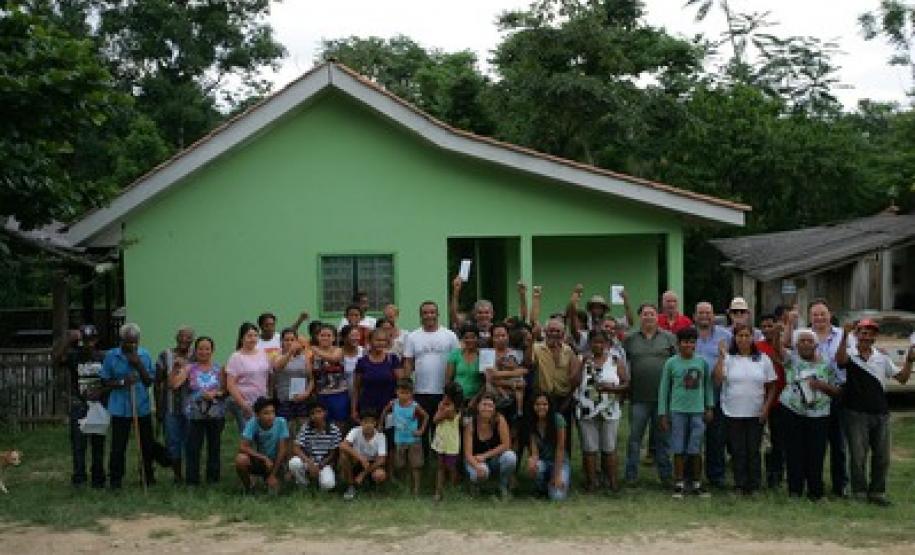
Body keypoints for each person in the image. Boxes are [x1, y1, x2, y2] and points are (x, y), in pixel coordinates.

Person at [836, 319, 914, 506]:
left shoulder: (882, 358)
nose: (866, 336)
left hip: (880, 413)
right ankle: (859, 493)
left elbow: (902, 379)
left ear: (875, 337)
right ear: (857, 334)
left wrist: (909, 361)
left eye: (870, 333)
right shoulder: (851, 355)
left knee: (882, 456)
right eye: (863, 332)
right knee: (858, 456)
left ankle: (878, 492)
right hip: (855, 413)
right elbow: (839, 361)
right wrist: (844, 336)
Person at [101, 323, 172, 488]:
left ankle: (147, 476)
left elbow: (149, 381)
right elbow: (105, 380)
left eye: (135, 342)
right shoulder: (112, 356)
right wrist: (122, 382)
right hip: (119, 407)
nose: (132, 345)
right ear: (122, 340)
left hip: (141, 406)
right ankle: (115, 480)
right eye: (128, 342)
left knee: (146, 444)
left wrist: (139, 365)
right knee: (118, 446)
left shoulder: (144, 354)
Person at [713, 325, 778, 495]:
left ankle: (754, 485)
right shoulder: (729, 359)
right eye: (739, 335)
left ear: (752, 338)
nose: (743, 339)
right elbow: (718, 380)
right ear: (734, 338)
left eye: (746, 335)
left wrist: (766, 407)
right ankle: (739, 484)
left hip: (755, 412)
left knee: (753, 450)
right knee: (737, 450)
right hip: (732, 411)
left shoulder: (763, 359)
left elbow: (772, 385)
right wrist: (721, 357)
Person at [779, 329, 840, 500]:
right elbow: (778, 349)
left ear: (816, 344)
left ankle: (816, 491)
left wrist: (823, 386)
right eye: (802, 341)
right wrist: (782, 329)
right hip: (792, 411)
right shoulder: (792, 360)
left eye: (809, 341)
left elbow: (837, 390)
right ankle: (795, 491)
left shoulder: (827, 364)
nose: (806, 344)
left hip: (819, 415)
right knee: (794, 452)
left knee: (816, 453)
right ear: (796, 345)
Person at [623, 304, 676, 484]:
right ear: (640, 317)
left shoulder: (669, 338)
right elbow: (622, 363)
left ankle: (666, 476)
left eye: (652, 314)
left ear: (657, 317)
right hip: (638, 398)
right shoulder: (630, 339)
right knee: (634, 439)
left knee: (663, 440)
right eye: (645, 314)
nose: (648, 317)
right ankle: (631, 475)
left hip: (663, 399)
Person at [658, 327, 714, 498]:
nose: (688, 345)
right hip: (678, 411)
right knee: (678, 448)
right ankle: (679, 483)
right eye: (685, 342)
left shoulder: (701, 362)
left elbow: (707, 387)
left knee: (695, 449)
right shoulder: (671, 363)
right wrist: (663, 413)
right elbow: (664, 389)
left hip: (697, 411)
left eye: (692, 342)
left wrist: (709, 406)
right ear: (678, 344)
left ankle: (696, 483)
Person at [574, 330, 628, 492]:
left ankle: (612, 481)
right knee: (589, 448)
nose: (598, 345)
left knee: (609, 447)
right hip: (587, 408)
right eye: (594, 342)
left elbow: (626, 383)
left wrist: (613, 388)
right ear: (589, 343)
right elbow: (573, 382)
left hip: (609, 409)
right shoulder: (581, 359)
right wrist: (582, 363)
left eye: (601, 342)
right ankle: (592, 482)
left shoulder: (615, 360)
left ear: (607, 344)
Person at [806, 299, 848, 497]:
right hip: (813, 395)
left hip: (838, 394)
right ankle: (816, 485)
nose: (819, 318)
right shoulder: (805, 336)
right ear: (810, 317)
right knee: (815, 444)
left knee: (838, 443)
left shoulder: (843, 335)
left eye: (823, 313)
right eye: (815, 314)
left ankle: (840, 486)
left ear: (830, 315)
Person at [404, 301, 459, 450]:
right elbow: (408, 362)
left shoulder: (450, 336)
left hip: (444, 392)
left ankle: (439, 462)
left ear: (438, 314)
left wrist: (452, 388)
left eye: (432, 312)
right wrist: (407, 386)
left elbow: (456, 361)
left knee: (441, 429)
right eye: (425, 313)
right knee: (422, 428)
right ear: (420, 315)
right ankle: (424, 463)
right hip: (420, 391)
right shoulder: (412, 336)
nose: (429, 315)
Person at [173, 336, 225, 485]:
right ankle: (192, 480)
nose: (204, 351)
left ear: (212, 350)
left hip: (215, 413)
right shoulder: (190, 368)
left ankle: (213, 479)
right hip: (194, 414)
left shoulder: (218, 368)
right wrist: (176, 369)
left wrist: (215, 394)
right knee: (193, 448)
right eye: (200, 348)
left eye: (207, 348)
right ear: (195, 350)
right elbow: (175, 385)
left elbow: (224, 390)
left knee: (214, 447)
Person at [60, 324, 106, 488]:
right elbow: (57, 360)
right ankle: (79, 478)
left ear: (96, 340)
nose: (89, 344)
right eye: (85, 340)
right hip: (79, 404)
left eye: (92, 340)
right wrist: (67, 341)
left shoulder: (103, 357)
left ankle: (98, 478)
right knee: (79, 443)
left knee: (98, 443)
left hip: (99, 405)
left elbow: (108, 380)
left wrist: (101, 391)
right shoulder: (74, 356)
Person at [693, 301, 732, 488]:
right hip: (692, 396)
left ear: (713, 315)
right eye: (701, 313)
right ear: (695, 316)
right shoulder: (689, 336)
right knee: (693, 437)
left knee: (716, 438)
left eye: (708, 313)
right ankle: (691, 476)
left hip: (717, 394)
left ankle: (716, 477)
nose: (704, 316)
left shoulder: (726, 336)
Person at [155, 325, 195, 483]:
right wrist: (158, 407)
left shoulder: (196, 355)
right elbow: (157, 383)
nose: (185, 340)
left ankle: (191, 474)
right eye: (182, 336)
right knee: (172, 441)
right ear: (176, 338)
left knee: (190, 441)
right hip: (170, 406)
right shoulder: (165, 355)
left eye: (188, 337)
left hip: (192, 407)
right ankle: (177, 475)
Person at [756, 313, 788, 489]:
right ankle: (766, 474)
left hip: (781, 400)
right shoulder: (757, 346)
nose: (768, 329)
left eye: (771, 326)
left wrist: (780, 334)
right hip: (761, 398)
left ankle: (777, 475)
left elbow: (783, 359)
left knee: (779, 440)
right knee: (764, 441)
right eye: (765, 326)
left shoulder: (785, 345)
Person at [463, 393, 517, 499]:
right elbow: (467, 454)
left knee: (510, 457)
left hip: (493, 459)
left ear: (494, 408)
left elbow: (506, 445)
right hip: (474, 460)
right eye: (484, 405)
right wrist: (477, 466)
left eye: (490, 405)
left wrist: (485, 456)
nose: (487, 408)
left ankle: (502, 485)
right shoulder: (470, 423)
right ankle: (476, 486)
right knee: (482, 472)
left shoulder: (499, 419)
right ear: (478, 406)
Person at [381, 378, 429, 495]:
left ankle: (416, 489)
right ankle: (405, 486)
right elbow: (384, 412)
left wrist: (421, 430)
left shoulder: (414, 405)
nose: (404, 396)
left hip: (413, 440)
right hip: (399, 439)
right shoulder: (393, 404)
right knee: (400, 464)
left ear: (411, 393)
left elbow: (426, 416)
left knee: (415, 465)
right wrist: (380, 425)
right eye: (401, 393)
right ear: (396, 392)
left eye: (407, 393)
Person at [531, 318, 581, 430]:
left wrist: (568, 399)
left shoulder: (568, 351)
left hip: (564, 399)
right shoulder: (536, 348)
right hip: (543, 399)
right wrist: (532, 338)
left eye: (557, 331)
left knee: (564, 434)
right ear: (545, 331)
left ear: (563, 333)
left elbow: (575, 380)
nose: (554, 333)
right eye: (551, 330)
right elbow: (528, 362)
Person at [235, 397, 290, 494]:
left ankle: (274, 477)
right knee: (241, 459)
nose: (270, 416)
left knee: (273, 494)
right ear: (257, 415)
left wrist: (273, 474)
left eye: (272, 412)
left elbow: (282, 450)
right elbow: (243, 446)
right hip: (262, 460)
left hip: (277, 462)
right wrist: (263, 458)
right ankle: (248, 488)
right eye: (266, 413)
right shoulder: (253, 422)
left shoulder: (281, 422)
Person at [226, 322, 271, 433]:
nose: (253, 339)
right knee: (248, 436)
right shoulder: (236, 357)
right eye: (249, 336)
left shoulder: (262, 353)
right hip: (245, 404)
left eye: (255, 335)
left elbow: (268, 375)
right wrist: (243, 404)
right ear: (242, 338)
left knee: (263, 436)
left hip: (261, 403)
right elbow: (230, 384)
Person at [288, 401, 341, 492]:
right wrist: (309, 462)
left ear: (325, 413)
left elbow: (333, 454)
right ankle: (304, 485)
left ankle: (318, 486)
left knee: (328, 485)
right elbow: (296, 448)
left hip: (324, 463)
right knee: (294, 463)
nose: (316, 415)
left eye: (319, 412)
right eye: (312, 413)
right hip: (309, 460)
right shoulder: (306, 427)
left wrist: (320, 466)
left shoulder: (334, 429)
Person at [352, 328, 401, 422]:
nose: (380, 343)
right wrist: (354, 410)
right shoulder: (362, 362)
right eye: (377, 340)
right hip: (367, 410)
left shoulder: (392, 359)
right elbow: (356, 388)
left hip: (390, 409)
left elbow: (401, 384)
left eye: (383, 340)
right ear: (370, 341)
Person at [527, 393, 570, 501]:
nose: (541, 407)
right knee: (535, 466)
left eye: (545, 404)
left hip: (559, 462)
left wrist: (557, 474)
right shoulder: (532, 422)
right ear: (533, 406)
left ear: (549, 405)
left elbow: (560, 448)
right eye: (537, 404)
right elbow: (535, 452)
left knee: (557, 498)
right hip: (543, 462)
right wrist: (532, 462)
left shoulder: (558, 419)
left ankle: (556, 482)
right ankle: (541, 488)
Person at [483, 322, 529, 421]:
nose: (500, 338)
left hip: (514, 402)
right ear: (491, 338)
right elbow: (490, 378)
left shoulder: (517, 353)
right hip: (493, 401)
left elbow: (523, 379)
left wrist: (500, 377)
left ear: (508, 336)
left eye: (503, 335)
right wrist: (515, 377)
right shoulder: (486, 354)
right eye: (496, 336)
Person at [340, 408, 388, 500]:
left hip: (371, 465)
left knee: (380, 474)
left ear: (375, 423)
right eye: (365, 422)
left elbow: (382, 459)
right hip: (357, 461)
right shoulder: (355, 431)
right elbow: (342, 445)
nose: (368, 425)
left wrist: (363, 474)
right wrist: (361, 458)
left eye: (371, 422)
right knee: (343, 456)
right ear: (361, 422)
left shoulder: (380, 436)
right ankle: (351, 486)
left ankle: (373, 489)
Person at [273, 328, 313, 433]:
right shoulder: (278, 356)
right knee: (287, 432)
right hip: (285, 399)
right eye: (287, 340)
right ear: (281, 342)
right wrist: (290, 352)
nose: (290, 342)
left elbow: (311, 379)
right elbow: (278, 367)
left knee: (303, 431)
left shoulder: (304, 358)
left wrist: (307, 393)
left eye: (292, 339)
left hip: (301, 399)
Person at [310, 324, 349, 427]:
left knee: (339, 422)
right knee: (322, 423)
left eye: (328, 335)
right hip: (321, 394)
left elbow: (333, 358)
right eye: (322, 335)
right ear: (317, 337)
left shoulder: (339, 350)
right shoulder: (312, 354)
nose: (325, 338)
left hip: (338, 393)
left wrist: (315, 350)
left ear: (334, 338)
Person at [431, 382, 464, 501]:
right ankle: (438, 491)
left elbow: (435, 419)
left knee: (450, 467)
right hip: (441, 440)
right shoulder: (449, 406)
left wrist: (440, 408)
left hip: (450, 442)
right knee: (440, 467)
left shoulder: (451, 409)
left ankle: (452, 489)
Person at [450, 275, 495, 346]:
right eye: (480, 313)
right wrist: (456, 292)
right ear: (475, 315)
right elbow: (455, 317)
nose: (483, 315)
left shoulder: (497, 330)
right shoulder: (469, 328)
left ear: (492, 314)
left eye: (486, 312)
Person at [446, 322, 483, 402]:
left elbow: (487, 381)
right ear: (462, 339)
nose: (469, 340)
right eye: (466, 337)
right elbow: (448, 381)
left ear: (478, 338)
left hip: (477, 399)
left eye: (473, 337)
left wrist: (475, 399)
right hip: (457, 399)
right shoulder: (455, 354)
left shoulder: (483, 355)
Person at [340, 324, 365, 391]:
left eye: (357, 336)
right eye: (352, 336)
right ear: (344, 338)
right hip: (343, 393)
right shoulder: (338, 353)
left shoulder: (364, 352)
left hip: (361, 392)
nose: (356, 338)